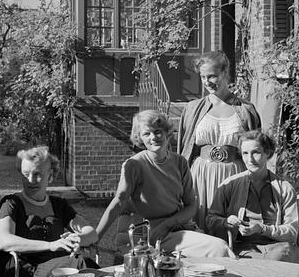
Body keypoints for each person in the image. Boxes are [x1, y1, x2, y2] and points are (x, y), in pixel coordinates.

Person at [97, 110, 234, 258]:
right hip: (147, 236)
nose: (153, 137)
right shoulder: (133, 165)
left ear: (167, 133)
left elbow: (191, 205)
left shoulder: (180, 162)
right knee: (218, 249)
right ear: (139, 138)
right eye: (146, 134)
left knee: (219, 247)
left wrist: (167, 225)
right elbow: (118, 201)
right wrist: (96, 236)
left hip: (175, 229)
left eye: (157, 132)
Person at [0, 145, 100, 277]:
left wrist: (77, 238)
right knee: (83, 265)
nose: (30, 180)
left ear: (51, 176)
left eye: (37, 175)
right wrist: (51, 245)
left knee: (83, 267)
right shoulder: (11, 204)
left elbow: (91, 233)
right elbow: (3, 241)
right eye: (26, 174)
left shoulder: (59, 205)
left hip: (61, 273)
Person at [177, 51, 262, 229]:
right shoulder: (192, 109)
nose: (207, 82)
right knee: (200, 229)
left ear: (224, 72)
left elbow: (257, 150)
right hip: (200, 176)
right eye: (203, 77)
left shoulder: (246, 110)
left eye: (212, 76)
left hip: (234, 177)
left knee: (232, 228)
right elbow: (182, 151)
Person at [206, 130, 299, 262]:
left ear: (267, 153)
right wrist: (226, 222)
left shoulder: (284, 189)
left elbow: (292, 232)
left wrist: (262, 229)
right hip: (241, 249)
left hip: (277, 248)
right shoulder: (229, 185)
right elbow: (210, 219)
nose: (250, 159)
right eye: (245, 153)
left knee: (278, 258)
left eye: (256, 153)